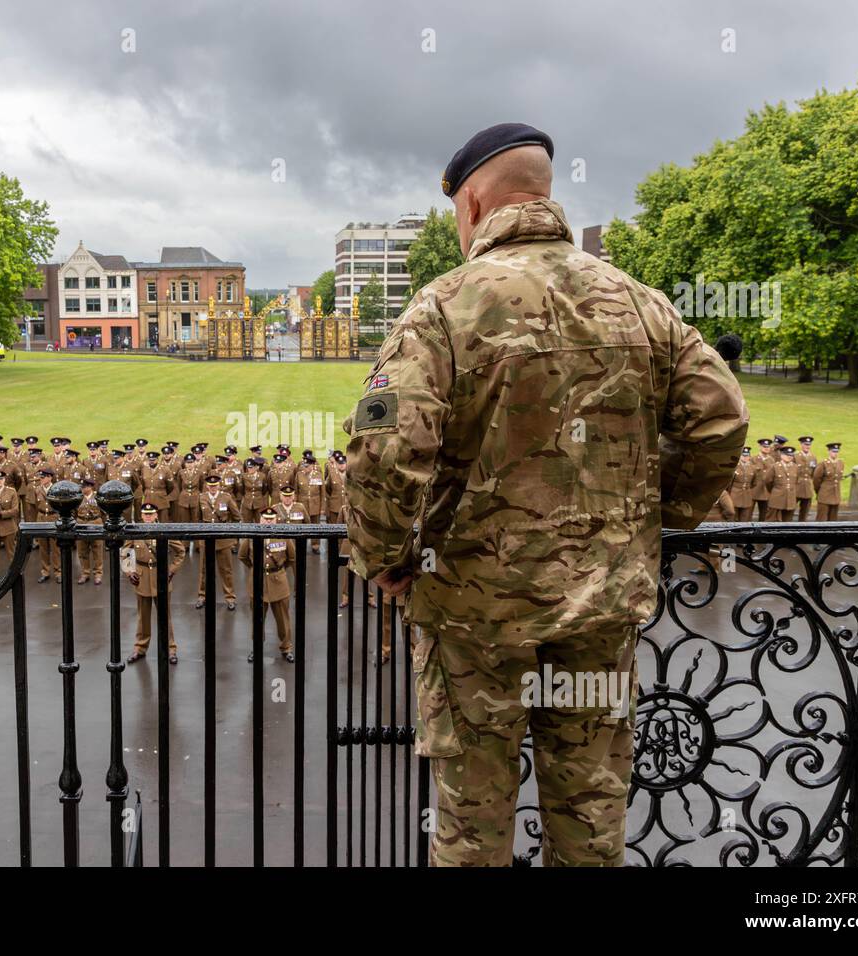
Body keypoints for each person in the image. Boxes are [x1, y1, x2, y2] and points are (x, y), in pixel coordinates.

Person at [344, 123, 748, 867]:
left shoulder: (445, 306)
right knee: (590, 809)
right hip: (600, 604)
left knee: (473, 819)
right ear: (545, 194)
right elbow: (719, 420)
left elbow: (384, 449)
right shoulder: (641, 302)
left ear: (470, 203)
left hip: (474, 612)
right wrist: (651, 522)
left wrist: (385, 557)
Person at [126, 503, 187, 665]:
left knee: (164, 616)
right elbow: (125, 552)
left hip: (161, 577)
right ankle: (140, 648)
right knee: (143, 617)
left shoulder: (164, 530)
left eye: (150, 514)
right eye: (145, 514)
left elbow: (181, 551)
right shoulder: (134, 531)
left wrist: (172, 570)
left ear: (156, 515)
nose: (147, 517)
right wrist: (129, 571)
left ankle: (170, 648)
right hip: (142, 577)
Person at [238, 508, 296, 663]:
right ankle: (256, 647)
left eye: (271, 518)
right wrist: (256, 569)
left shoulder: (283, 535)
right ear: (260, 519)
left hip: (279, 582)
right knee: (257, 619)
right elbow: (242, 556)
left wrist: (279, 570)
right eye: (265, 518)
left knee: (283, 620)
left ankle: (286, 647)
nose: (269, 521)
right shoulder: (252, 536)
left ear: (276, 520)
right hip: (258, 581)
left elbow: (292, 558)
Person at [195, 474, 238, 610]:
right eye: (210, 486)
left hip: (223, 541)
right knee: (203, 570)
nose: (213, 488)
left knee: (226, 570)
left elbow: (237, 517)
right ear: (207, 486)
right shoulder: (202, 498)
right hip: (206, 540)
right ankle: (202, 596)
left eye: (215, 486)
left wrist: (230, 535)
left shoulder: (226, 497)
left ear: (219, 485)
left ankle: (230, 597)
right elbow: (198, 518)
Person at [814, 442, 845, 520]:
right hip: (824, 496)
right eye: (833, 451)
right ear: (828, 451)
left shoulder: (840, 463)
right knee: (821, 520)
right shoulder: (823, 464)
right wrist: (820, 492)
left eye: (837, 451)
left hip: (836, 496)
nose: (835, 453)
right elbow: (816, 480)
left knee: (833, 521)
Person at [795, 436, 817, 521]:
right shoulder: (795, 456)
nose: (807, 446)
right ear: (801, 444)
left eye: (809, 445)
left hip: (808, 488)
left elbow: (814, 473)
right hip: (797, 487)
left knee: (805, 513)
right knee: (790, 510)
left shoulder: (813, 457)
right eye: (805, 444)